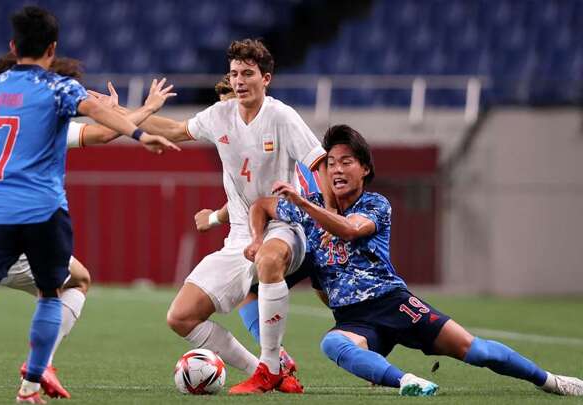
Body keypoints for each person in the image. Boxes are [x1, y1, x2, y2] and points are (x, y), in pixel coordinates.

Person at [0, 6, 178, 404]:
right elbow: (97, 114)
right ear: (52, 48)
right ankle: (29, 387)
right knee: (51, 294)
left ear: (13, 46)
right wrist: (140, 133)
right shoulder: (57, 88)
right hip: (42, 210)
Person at [247, 124, 583, 397]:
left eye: (346, 161)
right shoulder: (311, 206)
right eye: (331, 162)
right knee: (332, 343)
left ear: (365, 169)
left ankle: (550, 380)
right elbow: (261, 206)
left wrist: (303, 205)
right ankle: (407, 380)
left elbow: (349, 230)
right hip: (354, 319)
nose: (336, 169)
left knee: (476, 351)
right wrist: (257, 239)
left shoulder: (375, 204)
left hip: (394, 303)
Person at [122, 38, 328, 394]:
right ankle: (271, 371)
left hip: (285, 225)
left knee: (269, 259)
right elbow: (174, 130)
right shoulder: (220, 116)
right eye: (234, 74)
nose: (239, 81)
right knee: (181, 316)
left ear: (266, 79)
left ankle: (270, 365)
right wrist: (127, 114)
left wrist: (329, 216)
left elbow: (319, 163)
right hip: (239, 237)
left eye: (248, 73)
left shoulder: (281, 117)